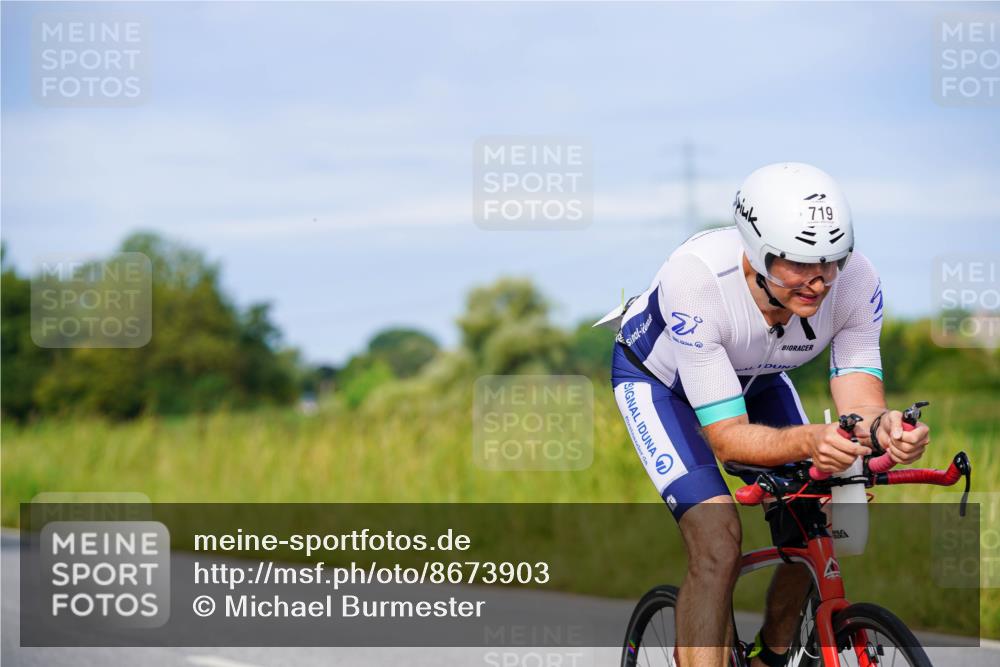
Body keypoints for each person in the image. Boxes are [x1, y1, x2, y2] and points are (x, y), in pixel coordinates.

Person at [602, 162, 931, 666]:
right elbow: (728, 439)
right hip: (661, 386)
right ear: (758, 252)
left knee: (814, 517)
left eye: (831, 262)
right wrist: (811, 440)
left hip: (755, 378)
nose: (819, 282)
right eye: (800, 264)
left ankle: (772, 655)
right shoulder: (696, 280)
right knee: (717, 542)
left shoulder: (856, 281)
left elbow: (861, 403)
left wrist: (884, 429)